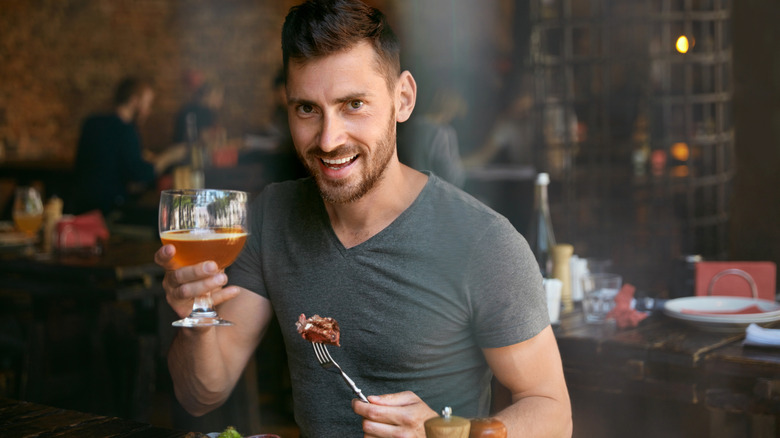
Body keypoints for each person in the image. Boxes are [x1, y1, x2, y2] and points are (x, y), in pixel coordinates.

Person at [155, 1, 572, 437]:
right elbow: (201, 394)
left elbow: (553, 412)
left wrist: (449, 434)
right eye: (307, 109)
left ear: (402, 99)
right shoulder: (270, 217)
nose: (329, 138)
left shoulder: (483, 241)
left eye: (353, 104)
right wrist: (196, 318)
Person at [72, 76, 179, 217]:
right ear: (134, 101)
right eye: (147, 104)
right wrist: (168, 157)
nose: (148, 110)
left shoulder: (92, 122)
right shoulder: (126, 130)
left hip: (80, 206)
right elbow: (140, 174)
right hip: (109, 211)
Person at [397, 84, 467, 187]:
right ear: (451, 105)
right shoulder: (443, 132)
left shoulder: (413, 126)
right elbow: (451, 177)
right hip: (435, 192)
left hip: (410, 189)